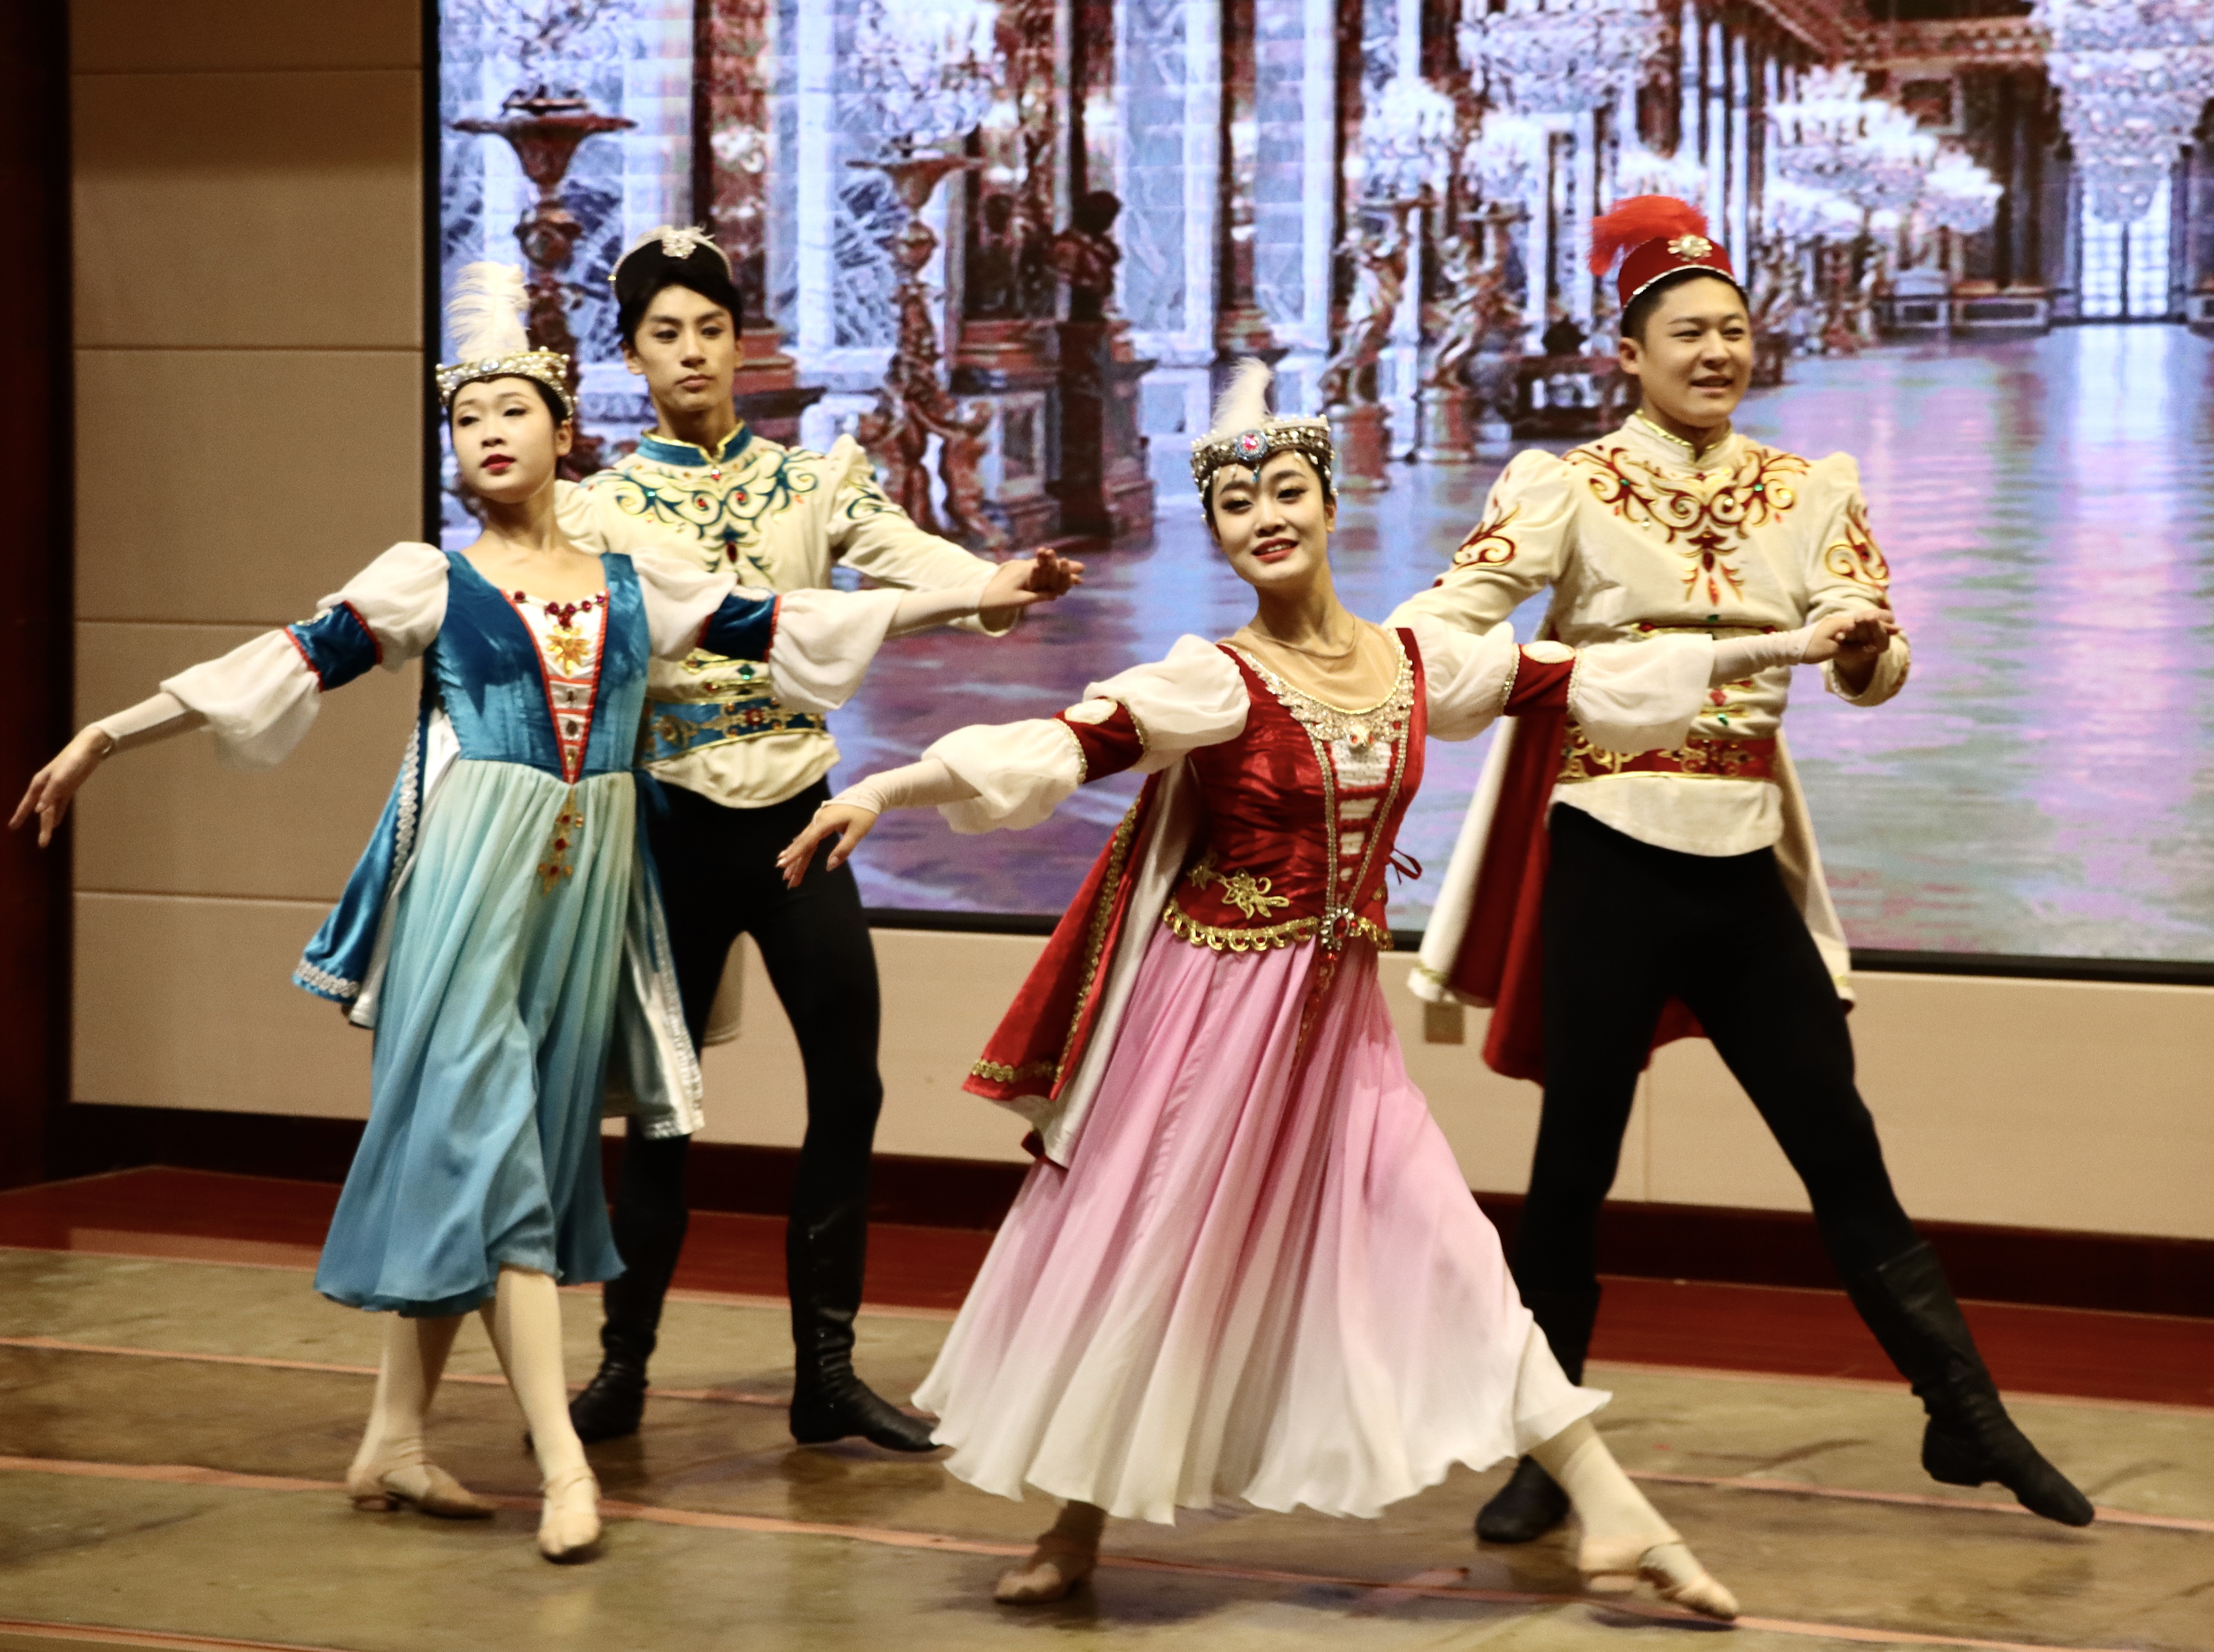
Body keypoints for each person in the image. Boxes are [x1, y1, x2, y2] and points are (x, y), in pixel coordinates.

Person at [775, 361, 1877, 1615]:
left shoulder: (1417, 663)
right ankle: (1076, 1521)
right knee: (1158, 1254)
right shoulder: (1214, 677)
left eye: (1287, 492)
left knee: (1453, 1255)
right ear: (1218, 531)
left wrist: (1788, 642)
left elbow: (1592, 676)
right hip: (1205, 1015)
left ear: (1330, 501)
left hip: (1336, 1027)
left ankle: (1615, 1515)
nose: (1265, 518)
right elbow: (1063, 746)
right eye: (1237, 506)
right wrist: (884, 787)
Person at [9, 264, 1061, 1563]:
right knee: (502, 1155)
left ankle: (394, 1436)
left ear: (565, 433)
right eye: (467, 418)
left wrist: (978, 593)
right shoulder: (428, 578)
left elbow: (789, 618)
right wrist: (109, 733)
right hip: (473, 886)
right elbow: (281, 661)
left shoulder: (631, 578)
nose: (489, 432)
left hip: (583, 896)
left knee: (496, 1147)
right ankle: (566, 1465)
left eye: (514, 410)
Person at [1392, 196, 2094, 1542]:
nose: (1716, 351)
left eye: (1732, 329)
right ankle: (1547, 1452)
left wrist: (1862, 645)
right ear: (1630, 352)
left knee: (1838, 1138)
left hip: (1740, 855)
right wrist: (1522, 669)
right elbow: (1444, 625)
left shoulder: (1810, 484)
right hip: (1605, 849)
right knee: (1573, 1161)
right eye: (1687, 332)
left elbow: (1877, 665)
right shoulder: (1563, 485)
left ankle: (1964, 1409)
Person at [552, 226, 1082, 1454]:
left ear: (740, 343)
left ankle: (826, 1373)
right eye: (665, 334)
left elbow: (910, 561)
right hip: (671, 823)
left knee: (850, 1083)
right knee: (664, 1109)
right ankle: (621, 1368)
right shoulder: (599, 506)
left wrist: (993, 581)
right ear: (632, 357)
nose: (691, 352)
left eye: (710, 329)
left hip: (800, 819)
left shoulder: (815, 480)